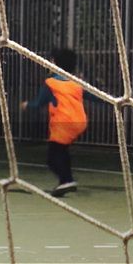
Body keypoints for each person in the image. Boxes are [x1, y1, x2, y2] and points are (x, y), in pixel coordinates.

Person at [21, 47, 88, 196]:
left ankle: (66, 180)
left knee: (52, 158)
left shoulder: (51, 83)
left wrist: (27, 105)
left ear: (54, 63)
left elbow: (40, 103)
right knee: (61, 151)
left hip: (63, 122)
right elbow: (93, 96)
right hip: (79, 122)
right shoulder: (77, 83)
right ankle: (67, 181)